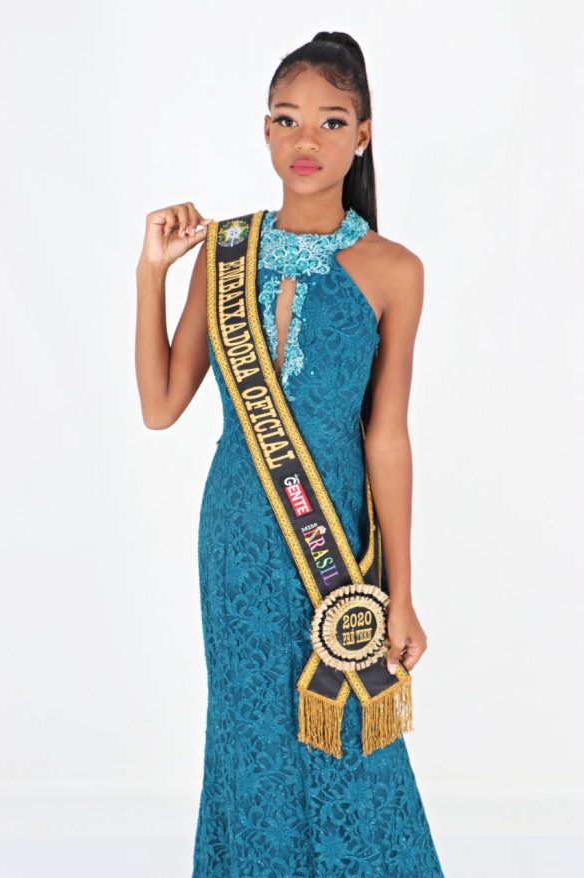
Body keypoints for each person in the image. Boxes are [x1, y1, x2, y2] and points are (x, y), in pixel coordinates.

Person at [135, 30, 445, 878]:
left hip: (335, 539)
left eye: (330, 121)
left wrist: (402, 595)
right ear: (265, 129)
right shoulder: (223, 255)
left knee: (350, 729)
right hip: (236, 530)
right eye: (286, 118)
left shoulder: (394, 269)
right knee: (248, 732)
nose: (306, 140)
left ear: (362, 135)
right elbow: (161, 407)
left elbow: (385, 434)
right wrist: (152, 273)